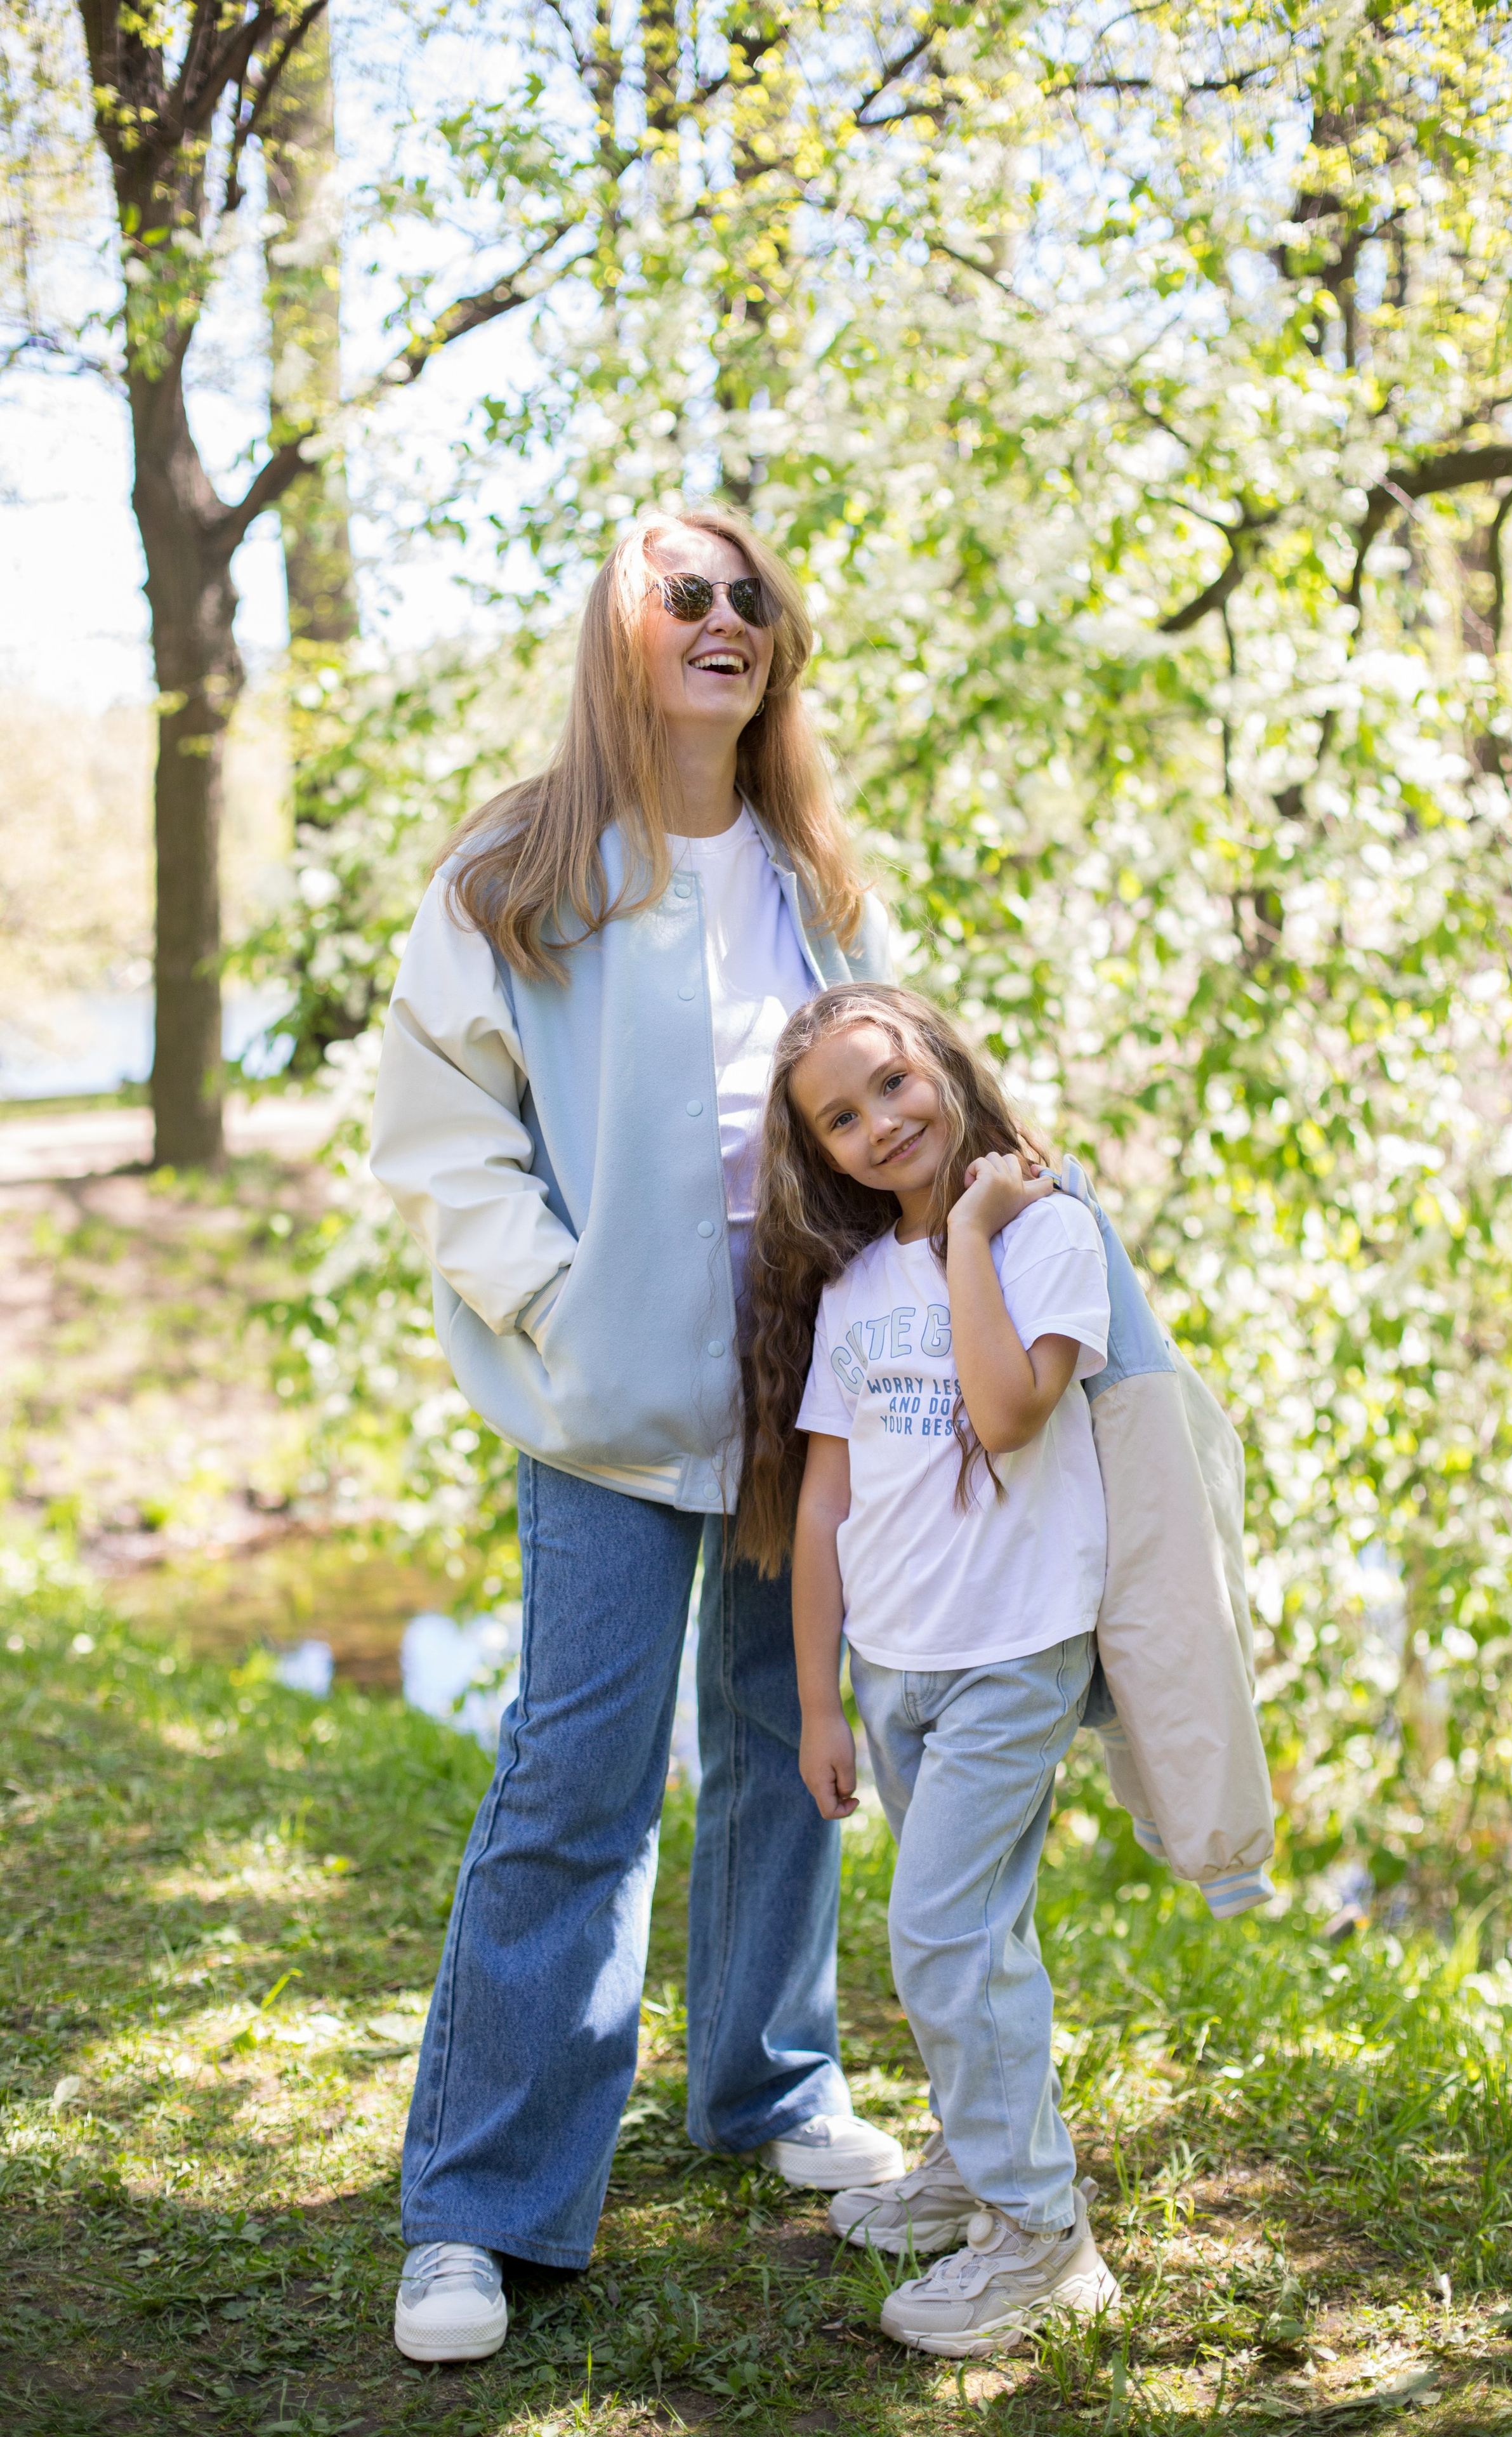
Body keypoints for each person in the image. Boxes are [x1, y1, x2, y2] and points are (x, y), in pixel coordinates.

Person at [370, 510, 904, 2365]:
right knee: (579, 1769)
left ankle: (769, 2085)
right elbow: (445, 1133)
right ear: (616, 627)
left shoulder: (816, 875)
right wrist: (566, 1301)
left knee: (784, 1737)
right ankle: (480, 2204)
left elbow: (893, 1093)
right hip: (612, 1401)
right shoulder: (522, 869)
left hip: (804, 1386)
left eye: (756, 594)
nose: (727, 617)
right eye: (687, 591)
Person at [735, 981, 1123, 2359]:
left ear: (944, 1067)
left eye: (891, 1084)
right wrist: (818, 1700)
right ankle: (977, 2161)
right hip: (895, 1667)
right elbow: (825, 1504)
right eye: (840, 1117)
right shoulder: (850, 1286)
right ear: (821, 1154)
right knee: (977, 1931)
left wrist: (967, 1228)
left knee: (942, 1933)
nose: (877, 1122)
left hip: (1012, 1654)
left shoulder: (1047, 1236)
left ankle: (1040, 2238)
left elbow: (1012, 1415)